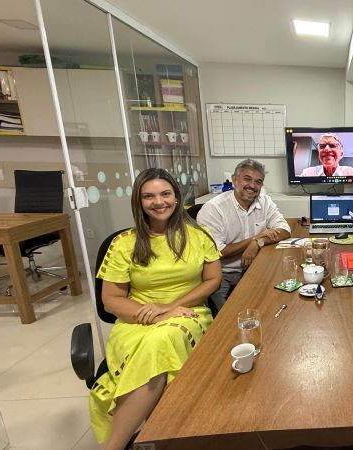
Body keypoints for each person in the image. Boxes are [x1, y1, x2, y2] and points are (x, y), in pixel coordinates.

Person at [91, 168, 221, 450]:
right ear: (139, 202)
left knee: (163, 340)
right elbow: (111, 299)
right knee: (156, 344)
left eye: (165, 194)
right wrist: (158, 313)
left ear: (176, 197)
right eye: (149, 196)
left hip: (189, 312)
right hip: (138, 318)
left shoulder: (199, 236)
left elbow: (213, 280)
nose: (159, 202)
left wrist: (171, 307)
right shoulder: (123, 243)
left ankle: (125, 443)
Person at [197, 159, 290, 311]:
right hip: (223, 272)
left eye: (258, 182)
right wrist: (253, 239)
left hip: (256, 268)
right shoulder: (214, 209)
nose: (252, 185)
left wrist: (258, 243)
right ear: (234, 180)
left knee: (275, 303)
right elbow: (217, 252)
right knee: (226, 317)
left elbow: (284, 230)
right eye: (247, 179)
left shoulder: (265, 202)